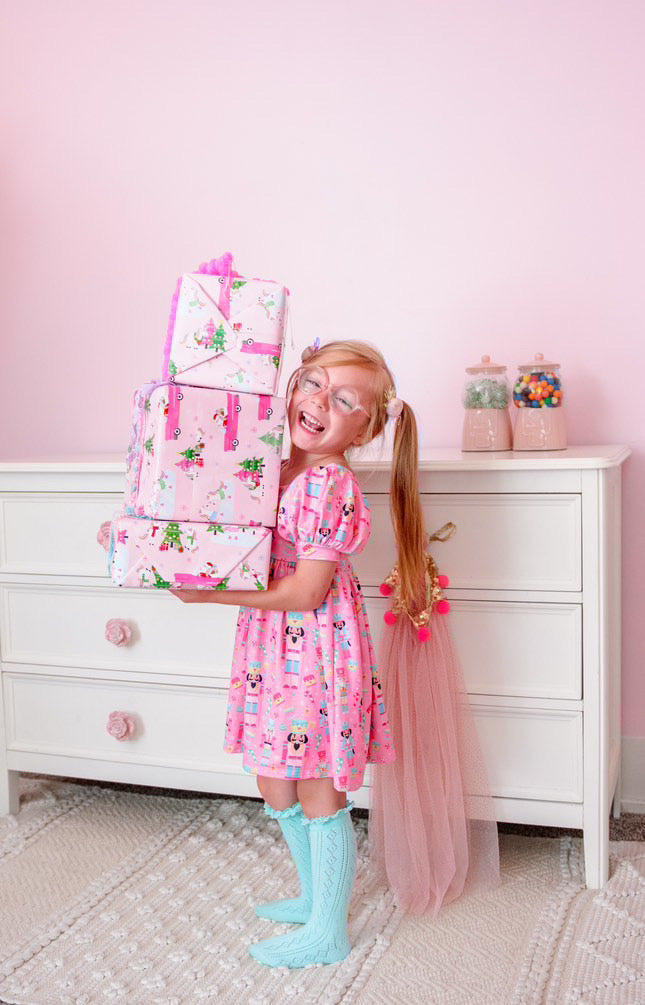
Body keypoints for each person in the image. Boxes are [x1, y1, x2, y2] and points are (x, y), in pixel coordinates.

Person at [172, 339, 426, 968]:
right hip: (272, 643)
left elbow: (308, 590)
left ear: (364, 426)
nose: (318, 401)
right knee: (274, 780)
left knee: (313, 782)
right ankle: (315, 895)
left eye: (343, 400)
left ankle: (328, 928)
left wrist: (207, 598)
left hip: (314, 648)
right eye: (311, 381)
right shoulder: (272, 465)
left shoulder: (327, 484)